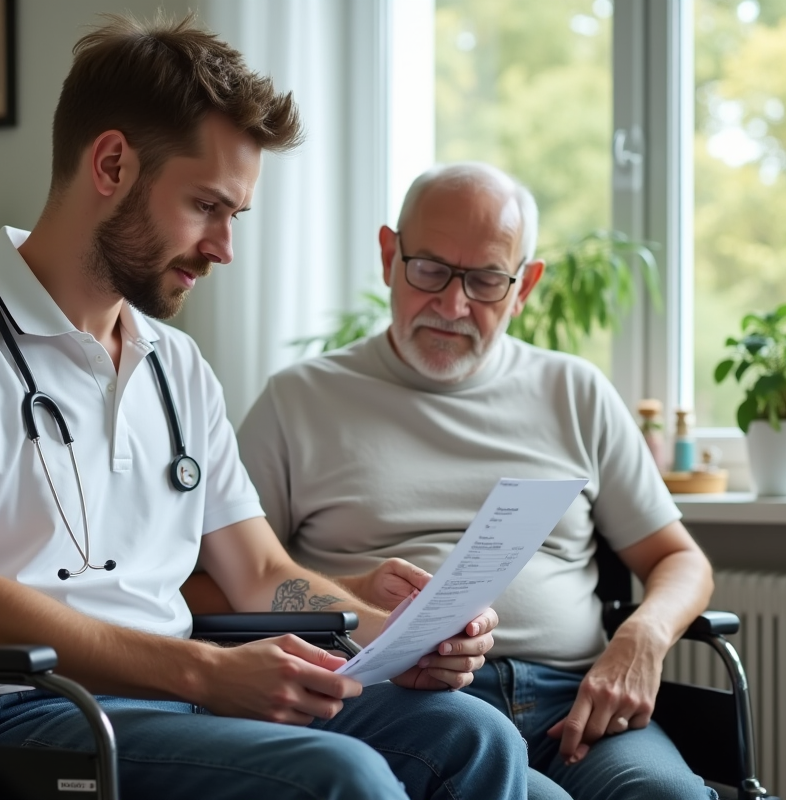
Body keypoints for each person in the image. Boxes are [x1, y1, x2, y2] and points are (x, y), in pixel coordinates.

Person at [0, 16, 530, 800]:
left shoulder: (177, 368)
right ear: (110, 164)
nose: (224, 247)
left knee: (471, 735)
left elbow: (261, 573)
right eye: (207, 206)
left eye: (236, 215)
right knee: (339, 778)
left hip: (172, 703)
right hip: (4, 723)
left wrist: (401, 638)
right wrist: (205, 671)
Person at [236, 162, 718, 800]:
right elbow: (230, 579)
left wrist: (642, 638)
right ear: (389, 256)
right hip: (397, 704)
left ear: (524, 287)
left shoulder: (574, 393)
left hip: (572, 706)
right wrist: (361, 608)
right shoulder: (299, 401)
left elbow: (681, 560)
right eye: (430, 269)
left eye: (487, 280)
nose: (453, 304)